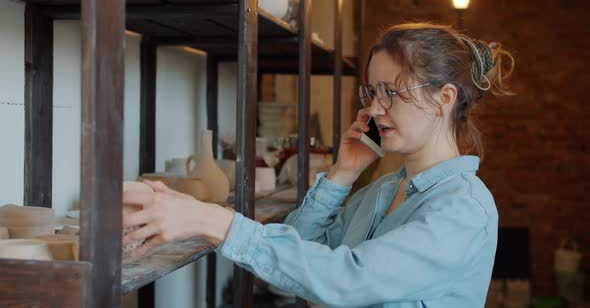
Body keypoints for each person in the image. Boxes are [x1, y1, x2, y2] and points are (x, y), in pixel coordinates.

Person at [123, 22, 514, 307]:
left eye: (391, 92)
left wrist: (214, 221)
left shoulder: (463, 209)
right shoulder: (379, 193)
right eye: (372, 93)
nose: (375, 109)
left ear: (445, 97)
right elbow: (299, 262)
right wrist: (342, 173)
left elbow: (348, 278)